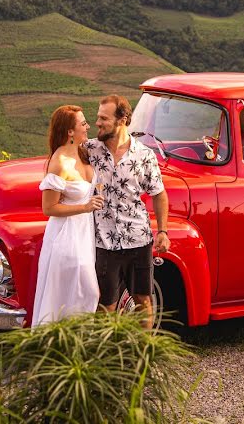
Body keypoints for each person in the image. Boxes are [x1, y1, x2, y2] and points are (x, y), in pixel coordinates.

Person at [85, 95, 170, 328]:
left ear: (122, 119)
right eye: (97, 117)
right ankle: (107, 357)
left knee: (143, 299)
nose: (97, 123)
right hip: (103, 242)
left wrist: (162, 231)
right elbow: (61, 156)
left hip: (139, 240)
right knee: (106, 305)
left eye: (103, 118)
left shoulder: (144, 155)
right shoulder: (90, 150)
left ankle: (143, 353)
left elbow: (159, 194)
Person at [32, 105, 105, 326]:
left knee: (74, 295)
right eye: (83, 123)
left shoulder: (83, 151)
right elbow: (49, 208)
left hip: (84, 235)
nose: (88, 126)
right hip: (66, 236)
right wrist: (85, 207)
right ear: (70, 131)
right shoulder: (59, 163)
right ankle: (59, 343)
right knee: (87, 292)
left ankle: (72, 347)